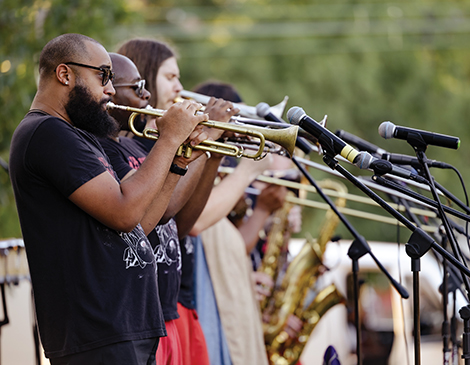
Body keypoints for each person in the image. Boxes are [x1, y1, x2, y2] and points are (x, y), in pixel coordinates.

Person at [8, 33, 209, 365]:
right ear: (65, 74)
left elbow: (140, 225)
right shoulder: (47, 133)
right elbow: (125, 212)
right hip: (96, 333)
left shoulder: (77, 136)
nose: (111, 89)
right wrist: (169, 138)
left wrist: (178, 162)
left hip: (125, 328)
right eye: (103, 75)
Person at [101, 52, 237, 365]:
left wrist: (211, 153)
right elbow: (165, 209)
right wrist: (205, 139)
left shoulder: (140, 146)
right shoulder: (112, 148)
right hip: (147, 313)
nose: (180, 86)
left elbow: (181, 223)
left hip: (172, 308)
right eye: (169, 77)